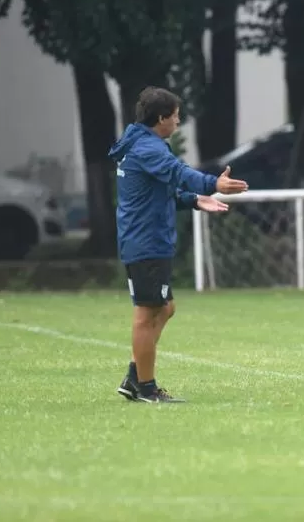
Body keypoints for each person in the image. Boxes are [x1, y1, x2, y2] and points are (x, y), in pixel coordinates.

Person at [109, 86, 248, 403]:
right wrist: (215, 184)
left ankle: (135, 376)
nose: (178, 121)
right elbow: (178, 172)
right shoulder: (149, 149)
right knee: (147, 314)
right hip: (145, 242)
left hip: (145, 239)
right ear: (161, 118)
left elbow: (159, 192)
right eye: (176, 116)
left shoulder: (140, 143)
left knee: (165, 308)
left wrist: (195, 201)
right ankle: (145, 387)